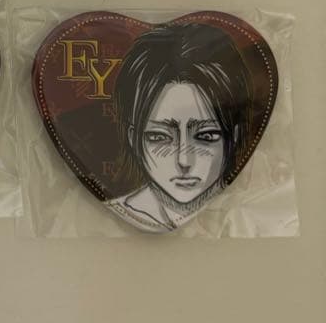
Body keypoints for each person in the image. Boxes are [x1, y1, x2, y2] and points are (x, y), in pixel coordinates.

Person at [106, 22, 252, 232]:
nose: (184, 161)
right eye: (159, 137)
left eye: (206, 136)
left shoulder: (248, 212)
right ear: (132, 138)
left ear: (235, 136)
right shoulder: (111, 215)